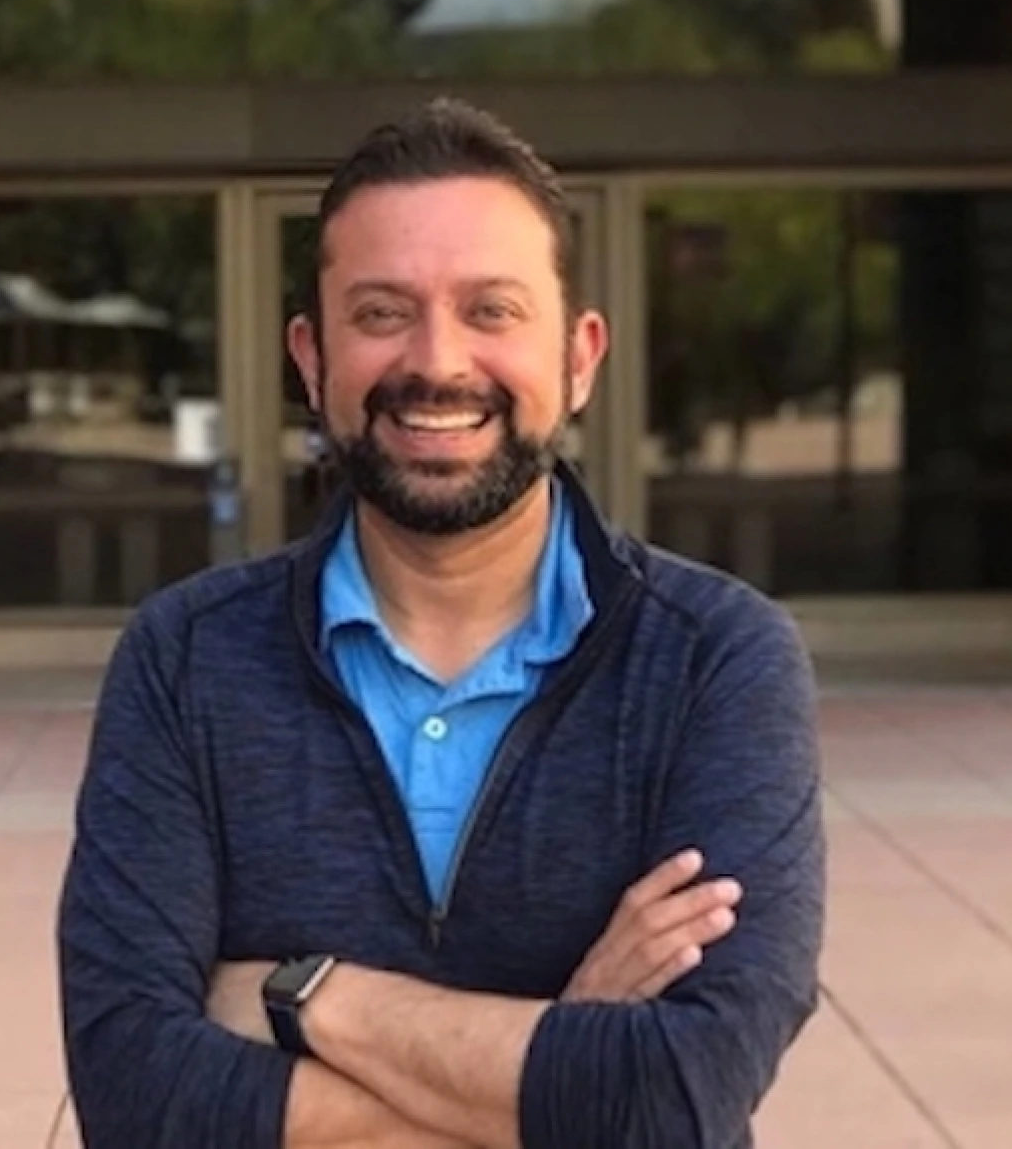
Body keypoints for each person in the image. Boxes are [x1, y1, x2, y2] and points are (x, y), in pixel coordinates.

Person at [58, 98, 825, 1149]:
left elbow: (679, 1092)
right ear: (312, 357)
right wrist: (567, 1055)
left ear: (580, 356)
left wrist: (306, 996)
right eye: (381, 312)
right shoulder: (182, 662)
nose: (438, 361)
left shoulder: (716, 658)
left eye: (492, 310)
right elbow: (135, 1096)